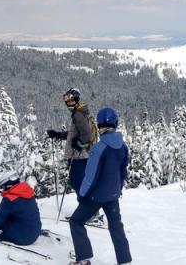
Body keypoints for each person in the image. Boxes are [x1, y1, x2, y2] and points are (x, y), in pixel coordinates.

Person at [68, 107, 131, 265]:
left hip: (96, 197)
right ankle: (125, 261)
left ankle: (84, 260)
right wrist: (118, 190)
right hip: (113, 196)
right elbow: (123, 173)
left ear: (100, 125)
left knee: (76, 221)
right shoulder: (123, 147)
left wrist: (82, 194)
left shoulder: (99, 148)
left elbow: (90, 177)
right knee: (116, 227)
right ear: (115, 123)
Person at [46, 88, 97, 200]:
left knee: (77, 182)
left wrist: (78, 143)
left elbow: (87, 135)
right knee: (80, 182)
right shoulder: (80, 113)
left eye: (71, 101)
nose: (69, 104)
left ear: (76, 100)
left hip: (79, 155)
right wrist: (58, 134)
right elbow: (74, 133)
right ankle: (88, 211)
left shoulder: (78, 114)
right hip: (82, 155)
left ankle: (87, 210)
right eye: (67, 102)